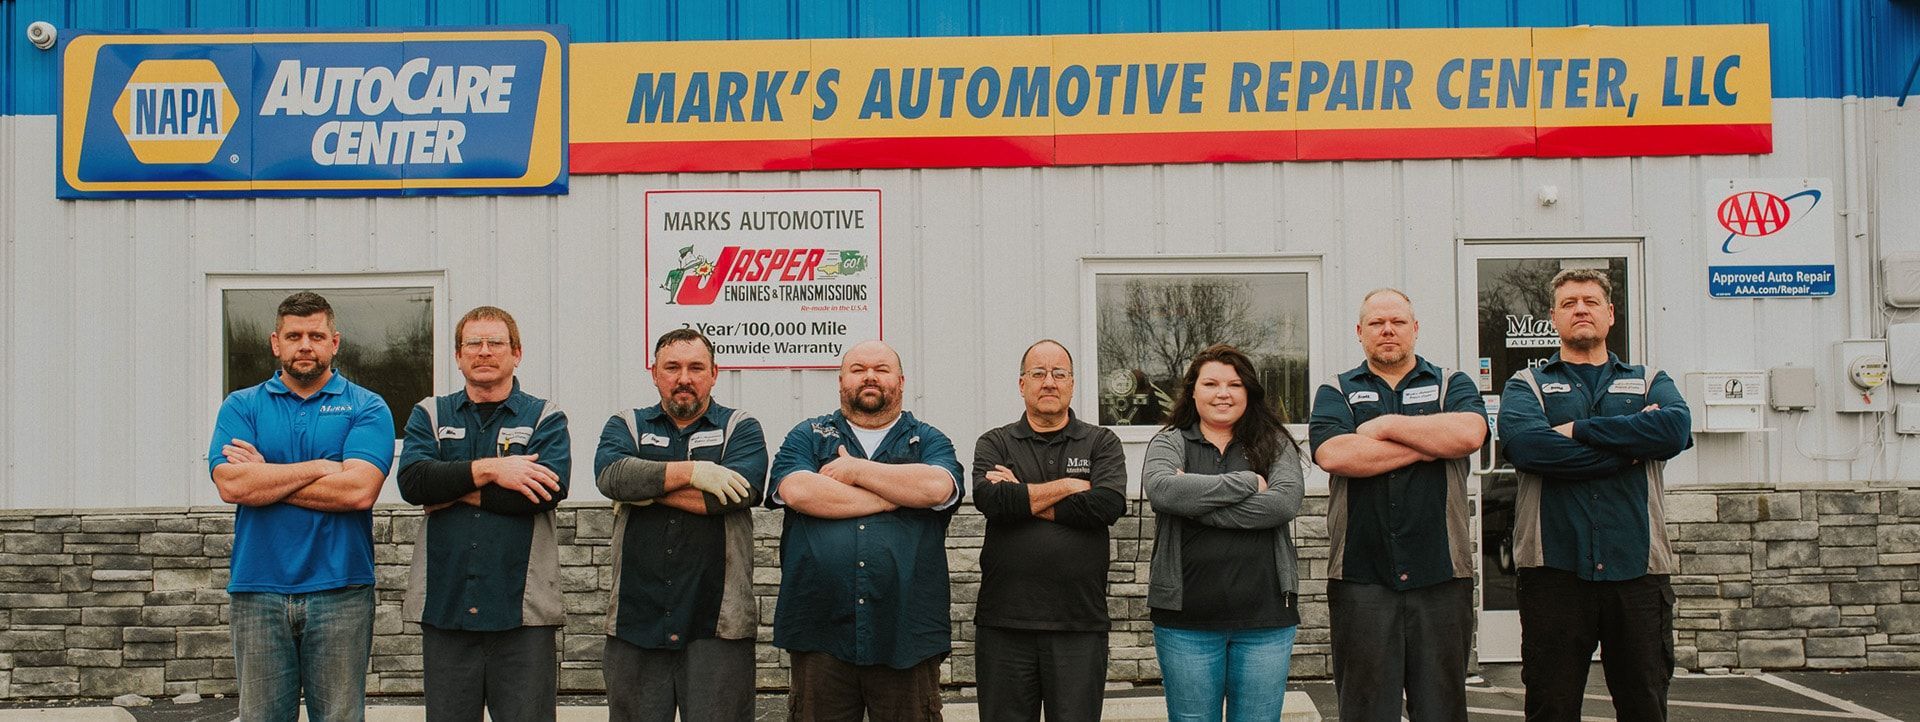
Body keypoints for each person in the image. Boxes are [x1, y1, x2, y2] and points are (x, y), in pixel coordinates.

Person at [1497, 268, 1692, 721]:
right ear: (1553, 318)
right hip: (1555, 572)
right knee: (1551, 707)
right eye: (1568, 303)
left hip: (1638, 571)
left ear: (1609, 314)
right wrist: (1629, 451)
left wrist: (1579, 430)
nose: (1579, 309)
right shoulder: (1527, 384)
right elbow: (1528, 447)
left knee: (1644, 704)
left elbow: (1674, 427)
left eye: (1589, 301)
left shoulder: (1649, 379)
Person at [209, 291, 394, 721]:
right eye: (294, 335)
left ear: (335, 342)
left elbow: (358, 492)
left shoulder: (367, 406)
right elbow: (232, 484)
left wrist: (267, 476)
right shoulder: (242, 405)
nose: (305, 344)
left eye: (316, 334)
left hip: (340, 589)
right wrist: (321, 467)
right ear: (276, 343)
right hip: (259, 589)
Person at [1309, 289, 1487, 722]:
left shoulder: (1452, 383)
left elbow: (1468, 435)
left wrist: (1385, 426)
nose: (1387, 330)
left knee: (1441, 710)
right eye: (1376, 323)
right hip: (1360, 576)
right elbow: (1336, 455)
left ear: (1415, 328)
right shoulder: (1336, 390)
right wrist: (1430, 444)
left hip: (1442, 574)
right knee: (1367, 711)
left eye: (1397, 322)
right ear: (1360, 332)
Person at [769, 340, 966, 721]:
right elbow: (798, 490)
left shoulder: (927, 439)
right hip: (820, 629)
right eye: (858, 369)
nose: (870, 376)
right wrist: (894, 495)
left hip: (907, 631)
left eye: (881, 368)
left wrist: (856, 471)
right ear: (842, 380)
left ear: (901, 381)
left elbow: (936, 487)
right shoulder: (808, 436)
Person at [396, 306, 571, 721]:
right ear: (458, 355)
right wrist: (494, 469)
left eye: (496, 343)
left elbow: (542, 493)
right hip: (446, 608)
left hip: (523, 615)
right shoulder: (430, 414)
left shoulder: (545, 417)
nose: (484, 352)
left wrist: (453, 488)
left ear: (517, 353)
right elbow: (414, 484)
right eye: (473, 343)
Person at [592, 329, 767, 721]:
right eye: (672, 367)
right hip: (636, 621)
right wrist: (695, 472)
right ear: (655, 373)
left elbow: (735, 494)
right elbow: (611, 475)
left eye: (695, 367)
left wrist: (647, 488)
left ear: (714, 373)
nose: (683, 377)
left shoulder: (741, 428)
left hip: (718, 625)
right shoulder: (627, 425)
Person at [1141, 343, 1305, 722]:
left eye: (1234, 384)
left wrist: (1195, 505)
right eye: (1211, 383)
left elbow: (1282, 504)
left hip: (1265, 621)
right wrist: (1248, 481)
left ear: (1248, 391)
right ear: (1193, 391)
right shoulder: (1170, 441)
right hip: (1186, 624)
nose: (1223, 393)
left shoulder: (1274, 442)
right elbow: (1164, 490)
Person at [971, 340, 1128, 721]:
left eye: (1059, 374)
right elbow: (992, 501)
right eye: (1038, 373)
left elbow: (1106, 505)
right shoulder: (995, 441)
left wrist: (1022, 491)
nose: (1049, 382)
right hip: (1004, 623)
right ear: (1021, 384)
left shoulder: (1100, 441)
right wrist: (1072, 485)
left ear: (1072, 384)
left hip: (1078, 623)